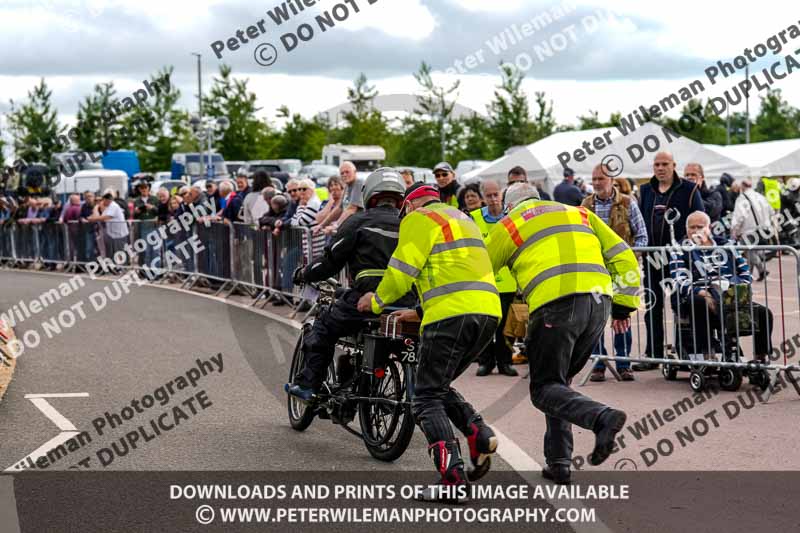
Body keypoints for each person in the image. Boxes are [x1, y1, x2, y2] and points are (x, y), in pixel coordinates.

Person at [486, 182, 640, 485]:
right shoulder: (580, 213)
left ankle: (601, 417)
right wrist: (624, 305)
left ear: (508, 205)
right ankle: (558, 463)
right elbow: (625, 256)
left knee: (544, 388)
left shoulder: (510, 222)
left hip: (555, 305)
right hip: (598, 303)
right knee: (559, 386)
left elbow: (480, 268)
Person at [357, 182, 502, 501]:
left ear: (409, 205)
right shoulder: (463, 219)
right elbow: (460, 273)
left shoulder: (418, 218)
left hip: (450, 315)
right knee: (436, 386)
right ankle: (478, 433)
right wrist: (419, 309)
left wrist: (377, 302)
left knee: (423, 398)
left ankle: (452, 481)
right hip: (487, 312)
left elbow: (401, 270)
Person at [288, 168, 413, 398]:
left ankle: (307, 385)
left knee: (324, 326)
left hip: (365, 300)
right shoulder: (412, 224)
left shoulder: (359, 221)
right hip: (407, 303)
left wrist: (305, 273)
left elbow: (330, 262)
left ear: (369, 194)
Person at [670, 211, 773, 362]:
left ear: (709, 228)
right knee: (698, 302)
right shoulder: (679, 249)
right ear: (686, 230)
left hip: (730, 295)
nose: (696, 230)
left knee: (764, 313)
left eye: (700, 227)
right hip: (698, 297)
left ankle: (760, 359)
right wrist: (703, 292)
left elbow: (745, 274)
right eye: (692, 227)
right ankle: (707, 353)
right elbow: (679, 279)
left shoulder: (727, 245)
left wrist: (735, 291)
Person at [635, 151, 704, 371]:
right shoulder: (645, 190)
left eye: (665, 164)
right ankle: (654, 355)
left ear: (674, 165)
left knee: (680, 305)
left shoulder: (689, 189)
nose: (660, 168)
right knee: (652, 306)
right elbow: (639, 223)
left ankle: (684, 354)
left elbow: (700, 221)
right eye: (657, 164)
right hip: (652, 259)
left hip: (680, 260)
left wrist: (689, 249)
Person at [583, 164, 648, 382]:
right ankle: (598, 364)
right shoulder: (584, 206)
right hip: (594, 270)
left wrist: (630, 258)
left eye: (601, 178)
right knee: (595, 318)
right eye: (594, 179)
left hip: (621, 271)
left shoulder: (629, 203)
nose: (597, 183)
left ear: (612, 180)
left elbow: (642, 236)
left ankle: (623, 364)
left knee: (622, 316)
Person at [471, 177, 518, 377]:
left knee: (506, 327)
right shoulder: (473, 218)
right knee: (484, 326)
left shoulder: (512, 217)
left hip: (507, 282)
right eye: (488, 196)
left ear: (502, 194)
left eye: (495, 194)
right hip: (484, 281)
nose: (493, 199)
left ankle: (505, 362)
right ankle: (485, 362)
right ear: (482, 197)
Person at [730, 178, 776, 281]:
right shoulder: (760, 197)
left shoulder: (742, 199)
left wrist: (734, 231)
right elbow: (771, 212)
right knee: (752, 252)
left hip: (748, 230)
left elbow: (738, 217)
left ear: (742, 186)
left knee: (749, 252)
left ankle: (750, 275)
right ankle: (759, 271)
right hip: (762, 230)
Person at [317, 162, 363, 234]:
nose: (344, 174)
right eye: (342, 173)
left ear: (355, 172)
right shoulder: (347, 187)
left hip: (358, 230)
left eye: (347, 172)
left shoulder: (358, 183)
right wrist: (321, 225)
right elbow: (339, 208)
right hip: (350, 229)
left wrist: (336, 225)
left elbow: (352, 209)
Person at [89, 192, 129, 262]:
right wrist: (96, 208)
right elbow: (99, 216)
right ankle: (116, 268)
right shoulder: (108, 207)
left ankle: (122, 268)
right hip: (113, 234)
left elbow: (107, 217)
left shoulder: (113, 206)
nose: (102, 202)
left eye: (102, 200)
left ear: (107, 200)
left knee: (120, 252)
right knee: (113, 252)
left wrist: (93, 219)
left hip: (119, 234)